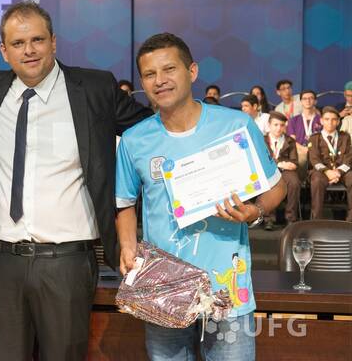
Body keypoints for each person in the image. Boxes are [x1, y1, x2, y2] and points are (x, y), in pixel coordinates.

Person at [0, 0, 152, 361]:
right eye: (18, 43)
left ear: (53, 41)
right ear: (3, 51)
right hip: (1, 261)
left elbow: (150, 131)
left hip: (66, 263)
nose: (29, 50)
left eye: (37, 40)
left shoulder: (95, 88)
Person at [115, 32, 286, 361]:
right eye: (149, 74)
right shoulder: (134, 140)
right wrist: (127, 245)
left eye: (169, 69)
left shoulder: (235, 125)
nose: (160, 80)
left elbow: (277, 187)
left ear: (192, 71)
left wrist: (255, 211)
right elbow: (124, 203)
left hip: (227, 289)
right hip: (164, 289)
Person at [307, 106, 352, 221]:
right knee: (317, 180)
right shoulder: (314, 138)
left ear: (338, 121)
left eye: (333, 119)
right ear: (321, 121)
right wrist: (328, 172)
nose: (330, 122)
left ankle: (350, 220)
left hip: (341, 171)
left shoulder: (345, 137)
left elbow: (348, 158)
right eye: (326, 119)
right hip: (321, 172)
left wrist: (338, 172)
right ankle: (317, 220)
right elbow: (314, 160)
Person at [264, 112, 301, 230]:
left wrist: (290, 165)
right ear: (269, 125)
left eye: (281, 125)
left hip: (286, 171)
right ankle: (268, 218)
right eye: (275, 125)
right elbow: (261, 160)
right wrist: (279, 164)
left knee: (294, 181)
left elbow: (294, 161)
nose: (278, 128)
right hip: (268, 170)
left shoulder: (289, 140)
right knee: (268, 180)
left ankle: (291, 218)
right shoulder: (262, 140)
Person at [286, 89, 322, 174]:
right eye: (305, 98)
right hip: (300, 151)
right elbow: (292, 141)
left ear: (315, 101)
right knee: (301, 159)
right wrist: (304, 150)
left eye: (311, 98)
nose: (308, 101)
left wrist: (312, 150)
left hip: (318, 151)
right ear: (301, 101)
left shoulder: (322, 120)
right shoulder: (293, 120)